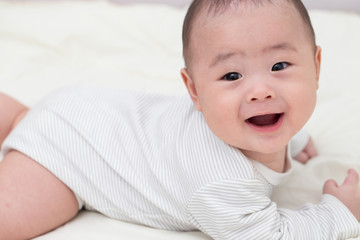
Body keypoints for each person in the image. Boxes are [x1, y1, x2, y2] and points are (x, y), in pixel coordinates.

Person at [0, 0, 359, 239]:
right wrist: (341, 212)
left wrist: (294, 137)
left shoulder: (253, 121)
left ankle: (18, 118)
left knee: (22, 119)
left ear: (315, 67)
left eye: (279, 66)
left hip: (77, 107)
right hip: (64, 164)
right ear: (194, 91)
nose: (260, 92)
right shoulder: (223, 181)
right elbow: (268, 235)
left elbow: (272, 119)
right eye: (232, 76)